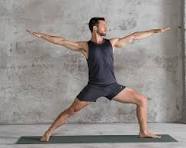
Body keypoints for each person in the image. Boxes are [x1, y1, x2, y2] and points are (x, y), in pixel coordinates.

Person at [26, 17, 170, 142]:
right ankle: (48, 132)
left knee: (142, 100)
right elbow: (61, 41)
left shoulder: (112, 43)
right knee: (71, 111)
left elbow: (134, 36)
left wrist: (154, 31)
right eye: (103, 25)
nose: (106, 28)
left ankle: (144, 132)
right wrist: (40, 35)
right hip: (94, 87)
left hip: (112, 86)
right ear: (95, 28)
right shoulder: (85, 46)